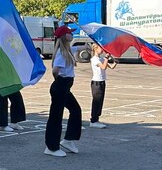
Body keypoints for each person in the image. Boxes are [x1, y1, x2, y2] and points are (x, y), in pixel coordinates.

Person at [44, 25, 84, 157]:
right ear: (64, 36)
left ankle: (68, 140)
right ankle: (51, 147)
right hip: (61, 85)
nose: (72, 35)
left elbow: (78, 48)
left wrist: (87, 47)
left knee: (75, 110)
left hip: (65, 86)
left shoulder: (68, 50)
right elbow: (55, 70)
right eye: (69, 33)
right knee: (56, 116)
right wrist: (59, 81)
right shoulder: (62, 53)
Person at [89, 42, 116, 129]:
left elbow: (110, 66)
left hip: (102, 81)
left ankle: (96, 119)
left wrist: (115, 61)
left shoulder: (100, 59)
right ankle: (93, 120)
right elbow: (103, 67)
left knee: (100, 101)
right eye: (101, 48)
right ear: (96, 49)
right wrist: (106, 58)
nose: (103, 50)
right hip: (96, 82)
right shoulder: (94, 59)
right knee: (96, 101)